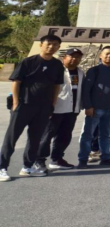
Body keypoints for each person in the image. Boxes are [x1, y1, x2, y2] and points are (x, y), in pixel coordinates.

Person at [0, 35, 65, 181]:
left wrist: (52, 104)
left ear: (59, 47)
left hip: (43, 107)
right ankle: (2, 167)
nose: (51, 47)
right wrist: (16, 103)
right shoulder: (28, 61)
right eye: (48, 44)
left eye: (55, 44)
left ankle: (27, 167)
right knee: (12, 137)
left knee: (35, 138)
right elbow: (16, 82)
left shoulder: (57, 65)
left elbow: (57, 86)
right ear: (41, 45)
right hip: (24, 104)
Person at [77, 46, 110, 168]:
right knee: (88, 135)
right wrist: (88, 106)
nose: (109, 56)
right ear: (100, 55)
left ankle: (106, 157)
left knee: (106, 134)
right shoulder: (94, 70)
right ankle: (83, 159)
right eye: (107, 54)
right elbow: (86, 90)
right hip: (96, 108)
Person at [36, 48, 84, 172]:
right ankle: (39, 160)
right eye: (72, 56)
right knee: (46, 136)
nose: (74, 59)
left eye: (78, 57)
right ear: (64, 57)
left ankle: (57, 159)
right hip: (55, 109)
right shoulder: (56, 70)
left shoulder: (80, 72)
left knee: (64, 136)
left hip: (72, 110)